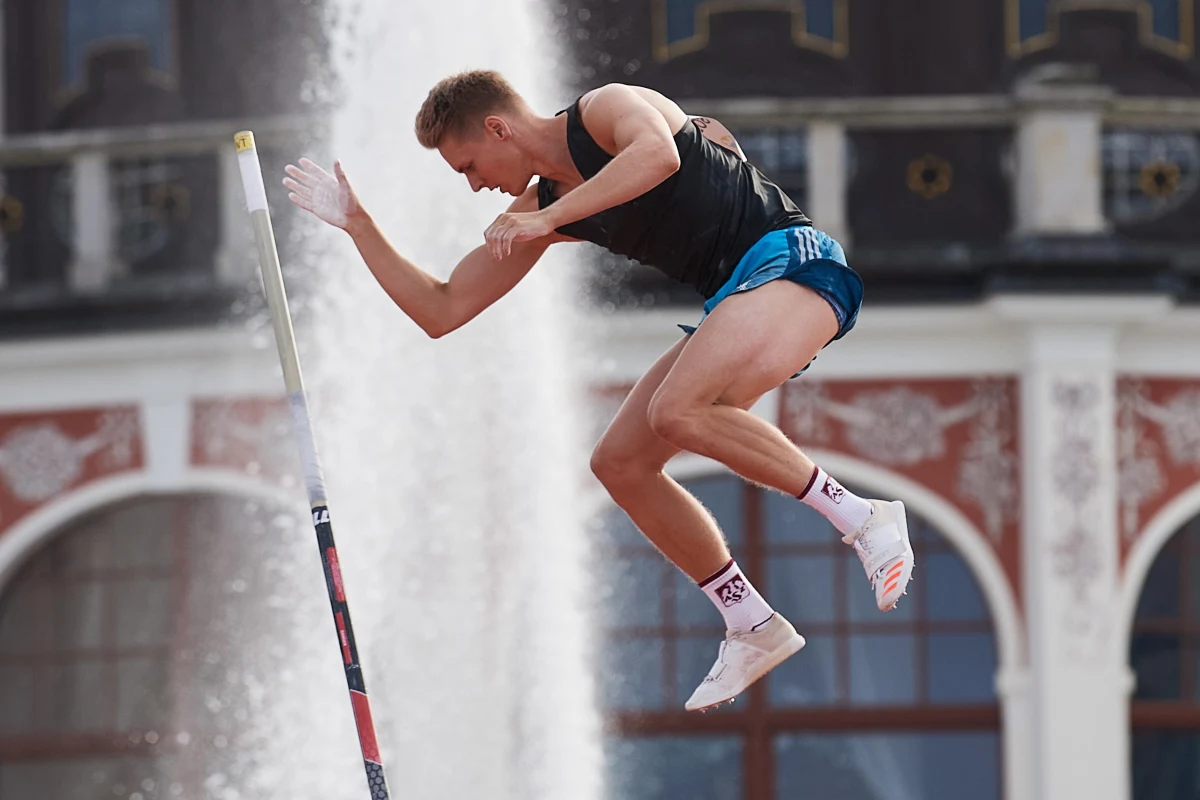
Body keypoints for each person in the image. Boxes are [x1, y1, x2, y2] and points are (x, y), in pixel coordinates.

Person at [282, 70, 913, 712]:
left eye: (469, 165)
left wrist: (553, 217)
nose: (474, 185)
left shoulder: (603, 113)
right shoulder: (537, 211)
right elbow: (442, 309)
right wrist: (360, 227)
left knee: (679, 410)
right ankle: (750, 622)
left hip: (797, 265)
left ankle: (865, 517)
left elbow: (659, 155)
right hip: (741, 298)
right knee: (620, 464)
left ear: (499, 128)